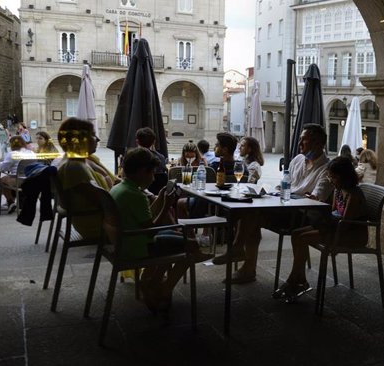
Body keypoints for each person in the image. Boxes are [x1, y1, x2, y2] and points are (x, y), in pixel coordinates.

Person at [212, 124, 333, 284]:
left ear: (318, 144)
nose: (300, 143)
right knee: (249, 211)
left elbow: (317, 198)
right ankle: (244, 261)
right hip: (285, 208)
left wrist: (290, 194)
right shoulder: (297, 160)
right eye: (300, 139)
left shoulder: (326, 168)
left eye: (304, 140)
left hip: (304, 215)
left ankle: (241, 256)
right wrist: (274, 191)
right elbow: (284, 184)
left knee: (252, 213)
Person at [109, 147, 210, 313]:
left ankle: (151, 281)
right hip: (139, 245)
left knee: (176, 239)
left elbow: (146, 219)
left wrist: (161, 200)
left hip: (128, 241)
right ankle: (163, 288)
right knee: (190, 247)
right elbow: (150, 229)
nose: (153, 177)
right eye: (152, 173)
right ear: (143, 172)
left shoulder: (122, 188)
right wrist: (166, 206)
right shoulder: (137, 196)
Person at [273, 157, 367, 300]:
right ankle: (300, 279)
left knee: (303, 238)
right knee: (296, 233)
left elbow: (345, 224)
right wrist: (319, 204)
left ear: (344, 177)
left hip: (351, 234)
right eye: (330, 176)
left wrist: (322, 224)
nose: (330, 180)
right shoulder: (338, 191)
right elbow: (334, 213)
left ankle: (293, 280)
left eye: (333, 177)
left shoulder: (353, 195)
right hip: (336, 228)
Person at [56, 118, 117, 240]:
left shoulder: (81, 161)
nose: (98, 139)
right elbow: (103, 201)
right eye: (93, 135)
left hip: (101, 220)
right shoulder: (74, 167)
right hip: (102, 225)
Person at [0, 136, 37, 213]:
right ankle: (14, 200)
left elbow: (3, 168)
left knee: (1, 180)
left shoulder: (12, 154)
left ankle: (10, 202)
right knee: (9, 178)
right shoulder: (31, 153)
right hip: (30, 179)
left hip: (18, 180)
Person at [135, 127, 167, 194]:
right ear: (154, 142)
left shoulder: (133, 158)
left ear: (137, 141)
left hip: (140, 192)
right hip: (158, 193)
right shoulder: (161, 158)